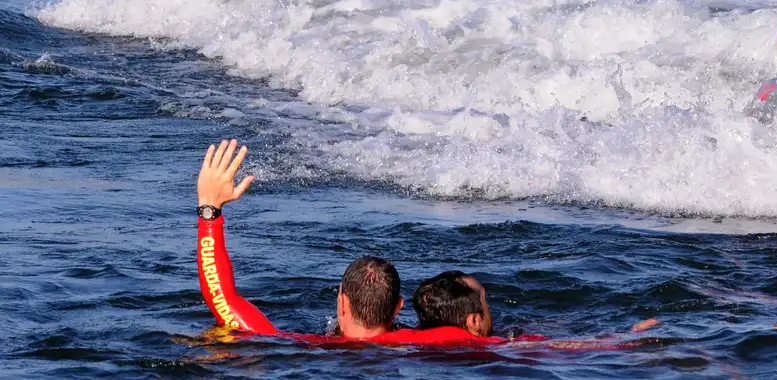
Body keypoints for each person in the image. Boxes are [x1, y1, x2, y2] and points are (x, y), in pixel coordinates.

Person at [195, 138, 539, 345]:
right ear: (398, 308)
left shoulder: (306, 346)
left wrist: (210, 209)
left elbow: (223, 299)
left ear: (342, 302)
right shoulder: (443, 340)